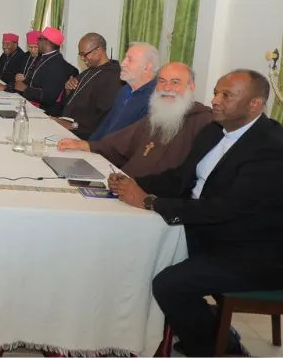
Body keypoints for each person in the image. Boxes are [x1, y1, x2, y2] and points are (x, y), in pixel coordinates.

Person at [108, 69, 283, 357]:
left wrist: (151, 202)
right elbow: (181, 178)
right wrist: (134, 183)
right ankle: (134, 331)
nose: (215, 100)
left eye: (226, 95)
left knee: (169, 284)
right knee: (134, 249)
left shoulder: (270, 147)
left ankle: (219, 347)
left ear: (255, 104)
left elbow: (227, 208)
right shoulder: (215, 131)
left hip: (253, 252)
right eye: (216, 92)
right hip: (212, 230)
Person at [58, 62, 212, 177]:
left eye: (175, 82)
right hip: (126, 183)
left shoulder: (203, 121)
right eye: (162, 81)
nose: (167, 88)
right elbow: (120, 143)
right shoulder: (157, 115)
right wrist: (86, 145)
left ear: (191, 86)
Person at [55, 33, 123, 139]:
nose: (82, 58)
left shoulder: (114, 77)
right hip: (68, 129)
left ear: (99, 50)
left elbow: (103, 117)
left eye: (85, 54)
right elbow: (72, 100)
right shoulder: (89, 71)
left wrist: (74, 126)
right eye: (80, 54)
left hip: (84, 137)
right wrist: (68, 89)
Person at [89, 42, 159, 141]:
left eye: (129, 60)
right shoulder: (124, 90)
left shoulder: (154, 100)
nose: (122, 64)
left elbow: (132, 142)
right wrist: (88, 145)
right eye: (125, 58)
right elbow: (106, 125)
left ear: (147, 67)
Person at [13, 27, 68, 112]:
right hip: (31, 104)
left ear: (47, 42)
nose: (37, 42)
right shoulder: (43, 57)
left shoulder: (57, 63)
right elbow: (29, 81)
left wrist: (25, 89)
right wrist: (6, 87)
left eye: (39, 39)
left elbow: (49, 97)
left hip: (44, 111)